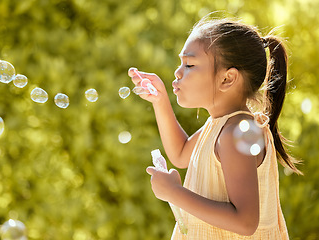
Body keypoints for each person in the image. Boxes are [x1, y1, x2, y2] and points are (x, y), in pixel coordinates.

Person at [128, 17, 302, 239]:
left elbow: (246, 222)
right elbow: (181, 154)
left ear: (227, 78)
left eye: (189, 65)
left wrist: (174, 192)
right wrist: (160, 100)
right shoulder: (221, 125)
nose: (178, 73)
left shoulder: (237, 132)